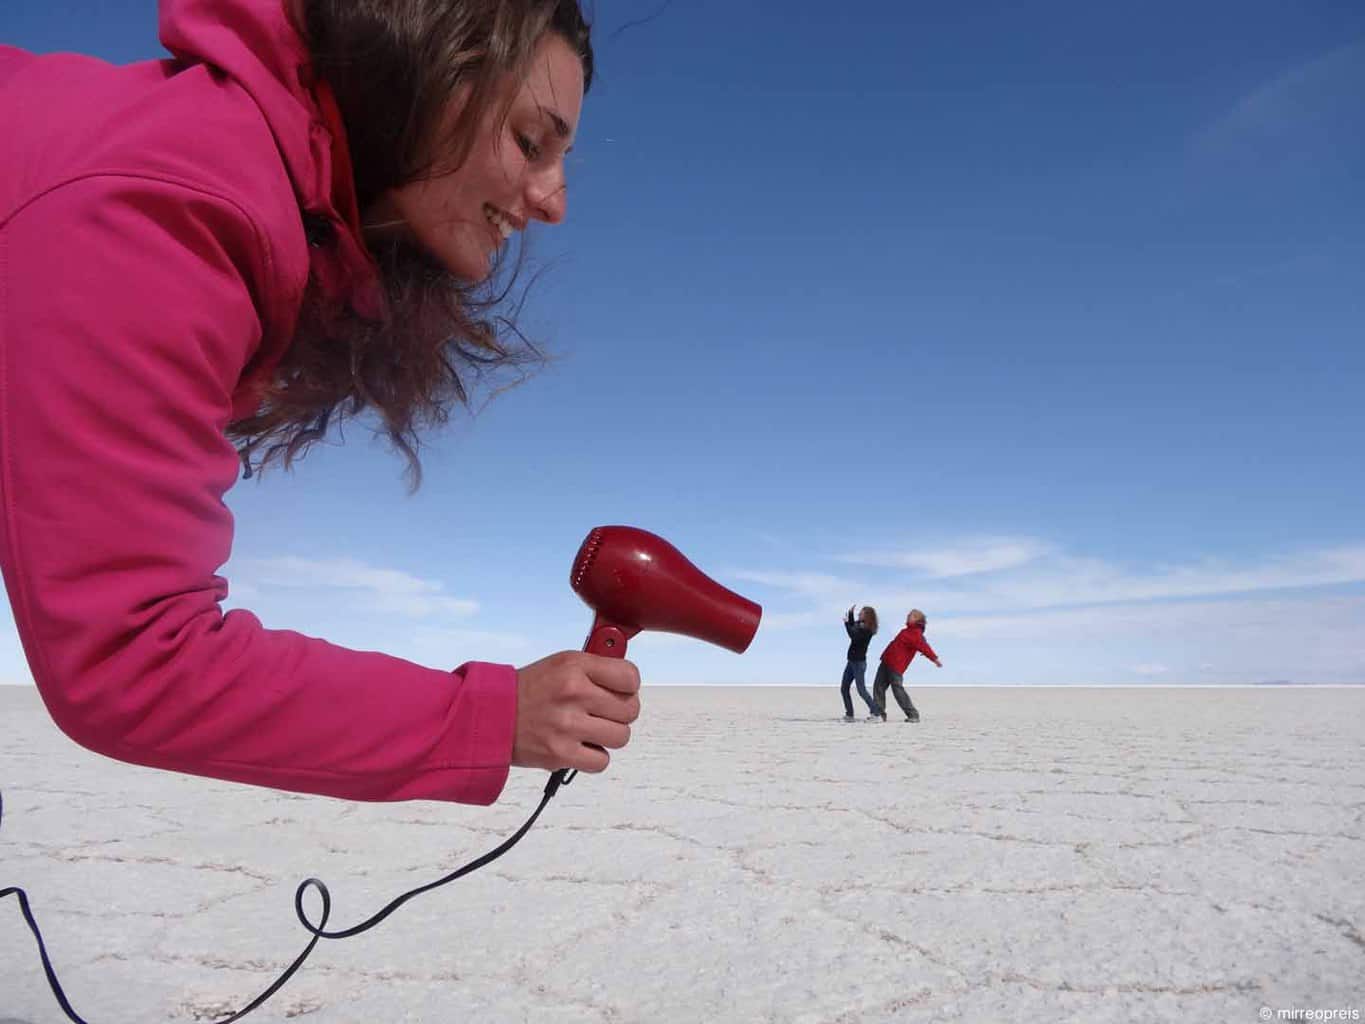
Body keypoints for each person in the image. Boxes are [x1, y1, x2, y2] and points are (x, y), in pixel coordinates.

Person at [0, 0, 642, 805]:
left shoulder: (233, 185)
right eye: (528, 142)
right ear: (424, 76)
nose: (554, 202)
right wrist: (488, 718)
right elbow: (133, 654)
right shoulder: (165, 207)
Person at [870, 609, 942, 723]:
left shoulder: (916, 634)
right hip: (886, 662)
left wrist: (935, 659)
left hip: (896, 667)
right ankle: (879, 714)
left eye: (911, 615)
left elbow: (925, 647)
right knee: (878, 687)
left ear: (917, 620)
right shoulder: (905, 631)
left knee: (898, 691)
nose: (908, 616)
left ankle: (913, 715)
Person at [838, 605, 880, 721]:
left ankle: (876, 713)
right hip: (851, 662)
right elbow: (853, 626)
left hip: (859, 664)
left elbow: (853, 636)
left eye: (861, 612)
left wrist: (846, 623)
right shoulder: (860, 624)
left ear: (867, 616)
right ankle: (849, 715)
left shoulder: (867, 630)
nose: (859, 614)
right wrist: (851, 614)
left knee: (861, 690)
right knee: (844, 688)